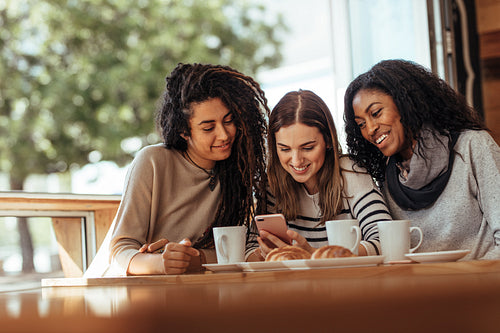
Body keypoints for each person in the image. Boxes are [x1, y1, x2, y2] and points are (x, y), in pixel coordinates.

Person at [85, 63, 269, 276]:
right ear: (183, 130)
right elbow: (120, 250)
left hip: (192, 292)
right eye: (208, 128)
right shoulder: (153, 162)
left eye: (229, 121)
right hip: (128, 294)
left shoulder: (238, 171)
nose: (224, 135)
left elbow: (230, 254)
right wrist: (162, 263)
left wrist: (196, 259)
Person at [343, 59, 500, 259]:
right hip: (419, 288)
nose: (371, 129)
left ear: (405, 102)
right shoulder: (386, 176)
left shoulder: (472, 146)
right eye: (361, 124)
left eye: (376, 113)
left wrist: (465, 280)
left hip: (478, 284)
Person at [254, 90, 392, 260]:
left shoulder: (351, 172)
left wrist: (316, 255)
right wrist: (264, 253)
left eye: (308, 148)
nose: (296, 161)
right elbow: (250, 248)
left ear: (328, 140)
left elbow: (387, 240)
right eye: (285, 149)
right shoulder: (272, 184)